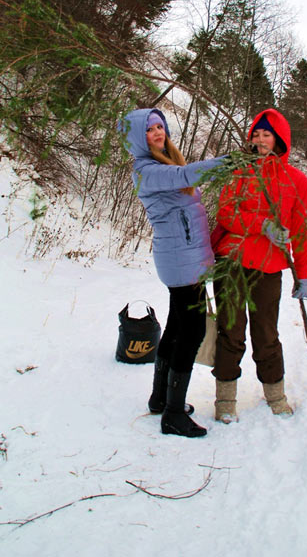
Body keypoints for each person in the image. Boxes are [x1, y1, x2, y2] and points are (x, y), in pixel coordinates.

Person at [120, 108, 225, 438]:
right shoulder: (147, 170)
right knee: (191, 333)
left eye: (159, 126)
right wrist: (228, 163)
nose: (157, 132)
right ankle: (174, 414)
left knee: (178, 328)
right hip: (181, 261)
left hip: (185, 256)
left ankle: (160, 399)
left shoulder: (165, 162)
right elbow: (186, 177)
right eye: (149, 129)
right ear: (138, 137)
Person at [212, 108, 307, 423]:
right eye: (255, 134)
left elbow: (301, 232)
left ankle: (275, 395)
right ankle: (225, 400)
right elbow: (227, 215)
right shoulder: (241, 172)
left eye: (266, 134)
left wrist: (304, 274)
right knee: (231, 331)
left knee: (266, 333)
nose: (259, 140)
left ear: (279, 138)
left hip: (269, 268)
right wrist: (263, 224)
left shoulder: (297, 181)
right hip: (231, 260)